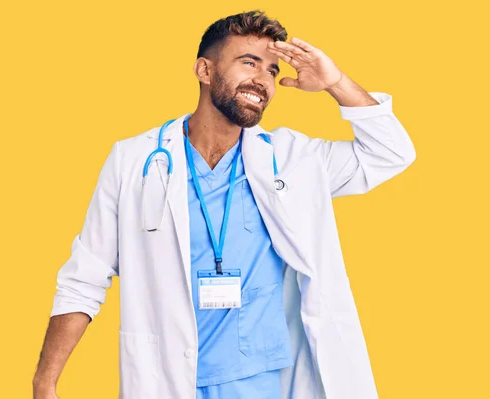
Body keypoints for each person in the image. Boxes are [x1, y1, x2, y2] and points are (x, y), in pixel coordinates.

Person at [33, 9, 416, 399]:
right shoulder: (133, 160)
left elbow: (391, 153)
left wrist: (336, 83)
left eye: (270, 69)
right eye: (248, 62)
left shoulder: (293, 160)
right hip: (164, 378)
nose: (262, 80)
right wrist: (45, 382)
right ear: (205, 70)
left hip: (261, 382)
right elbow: (85, 276)